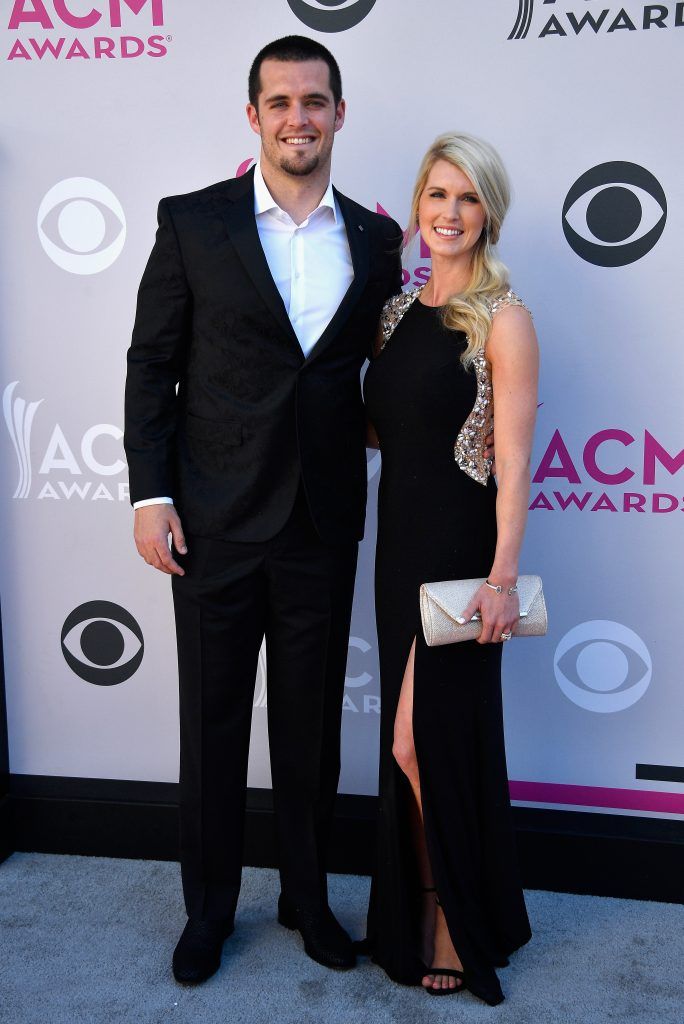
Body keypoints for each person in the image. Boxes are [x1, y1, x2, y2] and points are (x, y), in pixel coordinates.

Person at [124, 36, 404, 984]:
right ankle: (208, 912)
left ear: (338, 114)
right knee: (209, 728)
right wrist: (151, 494)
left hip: (322, 526)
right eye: (280, 101)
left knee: (311, 729)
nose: (299, 118)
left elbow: (376, 374)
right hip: (210, 521)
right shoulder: (194, 222)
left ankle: (306, 896)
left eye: (315, 101)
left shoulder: (375, 240)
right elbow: (150, 365)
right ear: (254, 116)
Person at [362, 132, 538, 1005]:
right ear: (418, 207)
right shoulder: (394, 316)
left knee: (418, 739)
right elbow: (382, 428)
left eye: (467, 198)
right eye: (437, 195)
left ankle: (448, 919)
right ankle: (440, 908)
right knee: (413, 746)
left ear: (488, 213)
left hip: (463, 560)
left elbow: (511, 462)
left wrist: (502, 579)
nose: (450, 214)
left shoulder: (504, 318)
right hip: (397, 552)